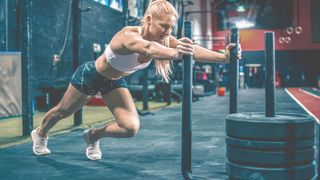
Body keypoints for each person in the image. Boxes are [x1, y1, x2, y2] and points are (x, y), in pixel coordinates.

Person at [31, 0, 241, 160]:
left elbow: (192, 50)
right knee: (63, 111)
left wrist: (224, 57)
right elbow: (149, 48)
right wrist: (176, 53)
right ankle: (40, 133)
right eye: (163, 26)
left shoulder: (165, 39)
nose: (167, 32)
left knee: (130, 127)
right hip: (91, 75)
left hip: (114, 82)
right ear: (148, 19)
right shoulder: (128, 35)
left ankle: (93, 135)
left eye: (170, 27)